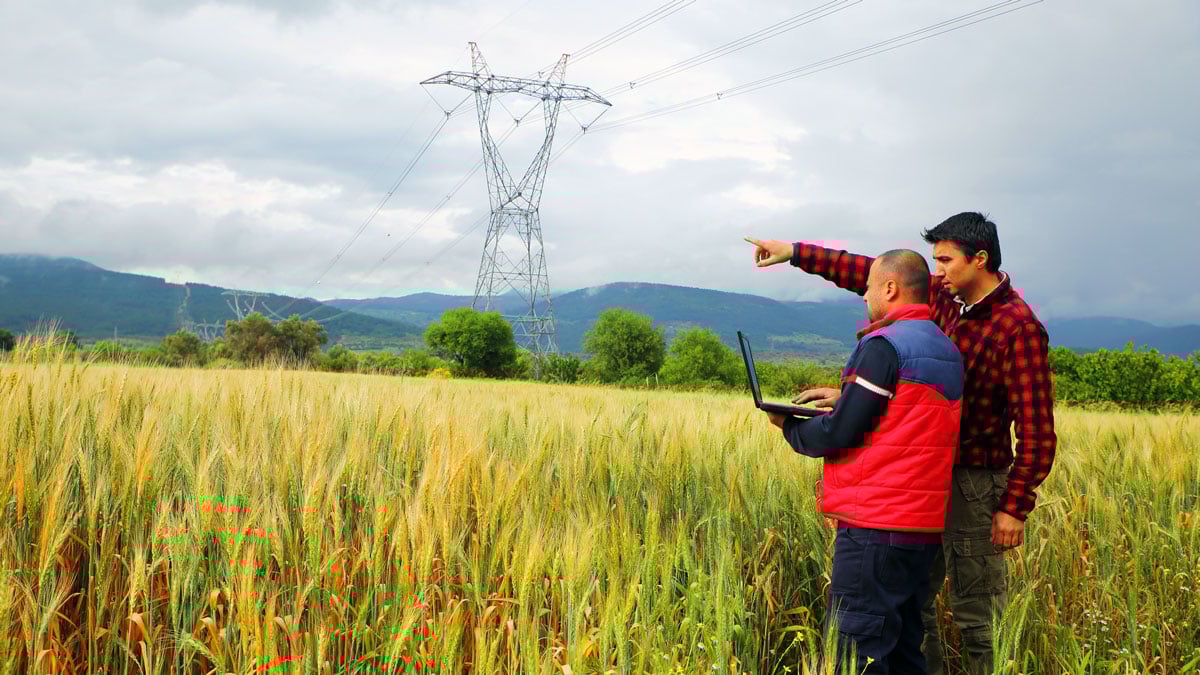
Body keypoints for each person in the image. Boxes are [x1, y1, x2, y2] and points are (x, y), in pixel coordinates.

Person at [747, 212, 1058, 675]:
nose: (938, 271)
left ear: (980, 259)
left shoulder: (1018, 327)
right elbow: (874, 273)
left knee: (978, 615)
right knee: (916, 608)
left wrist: (1014, 505)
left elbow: (1036, 429)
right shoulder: (943, 297)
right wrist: (795, 253)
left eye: (946, 261)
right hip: (919, 481)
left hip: (973, 484)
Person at [765, 249, 964, 674]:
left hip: (876, 527)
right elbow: (904, 417)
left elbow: (840, 432)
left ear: (890, 288)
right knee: (904, 650)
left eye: (870, 287)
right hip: (923, 529)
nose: (866, 296)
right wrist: (847, 399)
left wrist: (789, 426)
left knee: (855, 654)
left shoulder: (883, 346)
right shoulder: (946, 348)